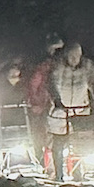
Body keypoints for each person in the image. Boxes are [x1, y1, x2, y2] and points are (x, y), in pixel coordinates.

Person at [45, 41, 94, 182]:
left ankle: (77, 172)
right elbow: (52, 83)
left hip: (80, 109)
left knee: (79, 142)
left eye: (77, 55)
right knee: (59, 142)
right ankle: (58, 173)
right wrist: (57, 101)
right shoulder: (58, 66)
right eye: (71, 55)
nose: (75, 59)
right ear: (66, 55)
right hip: (61, 110)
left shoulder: (87, 66)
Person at [25, 35, 64, 175]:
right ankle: (43, 162)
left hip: (52, 102)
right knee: (42, 133)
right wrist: (35, 101)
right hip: (43, 103)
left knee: (52, 133)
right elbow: (34, 83)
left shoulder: (55, 64)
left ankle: (52, 164)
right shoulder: (44, 65)